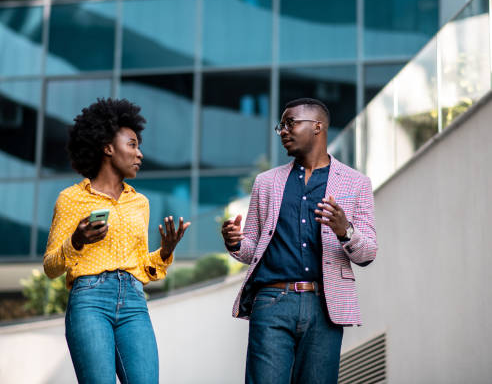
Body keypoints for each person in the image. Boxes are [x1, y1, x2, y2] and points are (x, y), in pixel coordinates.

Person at [221, 98, 377, 384]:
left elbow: (368, 253)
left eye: (291, 124)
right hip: (271, 302)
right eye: (281, 125)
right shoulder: (266, 182)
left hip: (326, 306)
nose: (283, 131)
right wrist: (234, 243)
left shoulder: (356, 183)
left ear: (318, 126)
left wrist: (345, 230)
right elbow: (252, 248)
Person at [43, 98, 190, 384]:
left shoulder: (140, 203)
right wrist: (76, 240)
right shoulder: (71, 199)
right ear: (108, 147)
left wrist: (166, 251)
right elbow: (50, 266)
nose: (140, 154)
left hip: (134, 302)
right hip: (89, 301)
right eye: (132, 144)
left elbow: (140, 265)